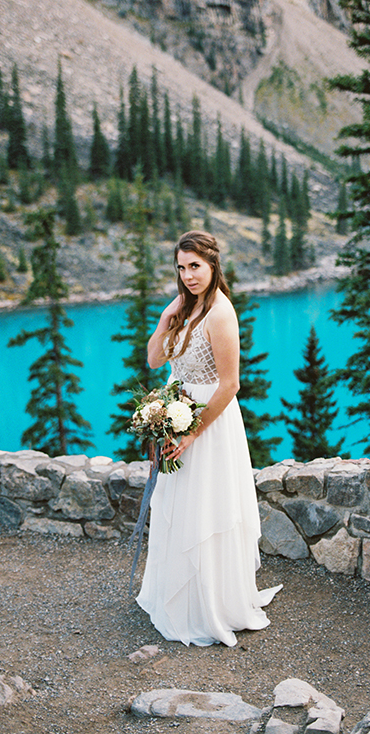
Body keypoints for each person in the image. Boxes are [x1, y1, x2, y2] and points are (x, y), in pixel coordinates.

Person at [136, 230, 281, 647]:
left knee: (206, 509)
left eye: (195, 266)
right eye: (181, 268)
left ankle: (209, 605)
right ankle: (177, 599)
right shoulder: (186, 306)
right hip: (178, 411)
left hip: (209, 423)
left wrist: (193, 432)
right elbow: (154, 359)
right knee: (178, 506)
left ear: (213, 264)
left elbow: (231, 384)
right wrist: (166, 319)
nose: (188, 276)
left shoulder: (220, 312)